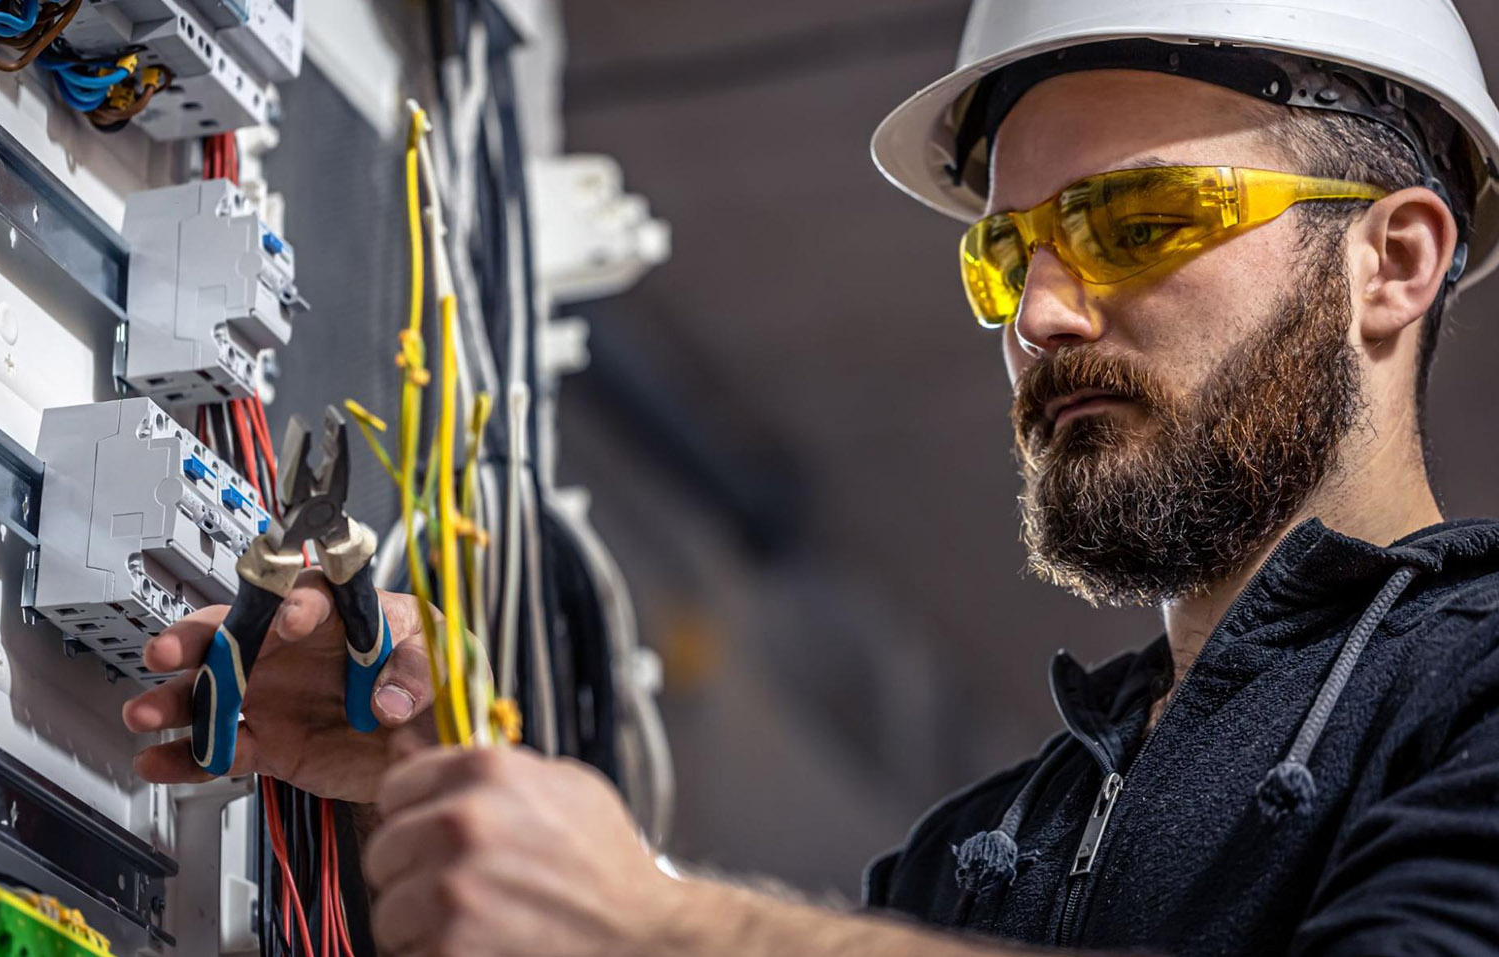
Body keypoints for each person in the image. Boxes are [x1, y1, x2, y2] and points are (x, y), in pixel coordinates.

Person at [121, 1, 1499, 953]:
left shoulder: (1468, 694)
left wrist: (661, 927)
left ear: (1395, 262)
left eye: (1137, 222)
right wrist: (418, 813)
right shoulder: (981, 853)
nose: (1043, 316)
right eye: (1009, 256)